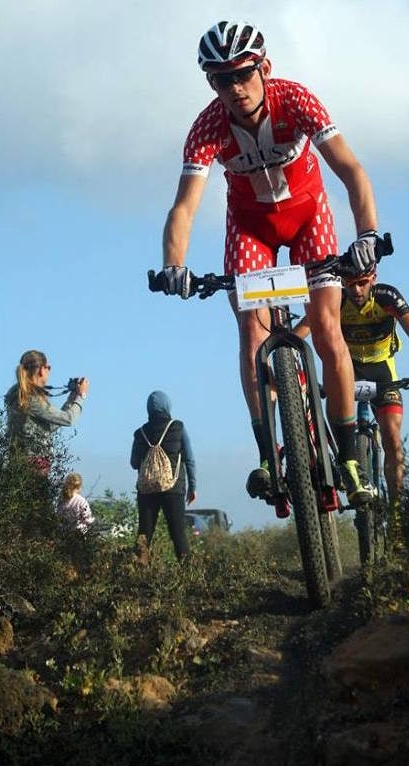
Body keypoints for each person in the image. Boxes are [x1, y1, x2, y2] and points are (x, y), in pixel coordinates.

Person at [156, 20, 380, 506]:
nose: (234, 89)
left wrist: (366, 235)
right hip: (251, 228)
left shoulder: (296, 100)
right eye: (220, 80)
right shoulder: (208, 127)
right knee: (252, 335)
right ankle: (268, 456)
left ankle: (350, 457)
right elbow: (185, 207)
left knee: (325, 329)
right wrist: (174, 264)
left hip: (308, 219)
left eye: (242, 74)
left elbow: (350, 169)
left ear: (265, 68)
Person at [294, 267, 409, 506]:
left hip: (383, 372)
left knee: (391, 437)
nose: (356, 290)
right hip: (350, 369)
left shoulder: (387, 297)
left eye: (362, 282)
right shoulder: (336, 299)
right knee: (331, 407)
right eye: (350, 284)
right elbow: (299, 334)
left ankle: (396, 511)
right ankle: (345, 464)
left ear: (373, 280)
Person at [130, 390, 196, 564]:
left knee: (144, 534)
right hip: (173, 489)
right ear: (167, 406)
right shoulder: (178, 427)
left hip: (146, 490)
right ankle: (189, 575)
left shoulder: (140, 433)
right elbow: (189, 459)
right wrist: (193, 487)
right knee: (178, 533)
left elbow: (134, 463)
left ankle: (136, 575)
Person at [5, 349, 89, 471]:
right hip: (34, 463)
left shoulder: (18, 394)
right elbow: (68, 419)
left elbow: (50, 425)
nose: (49, 371)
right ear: (40, 370)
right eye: (48, 367)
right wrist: (81, 396)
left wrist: (70, 401)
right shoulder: (31, 398)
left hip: (17, 460)